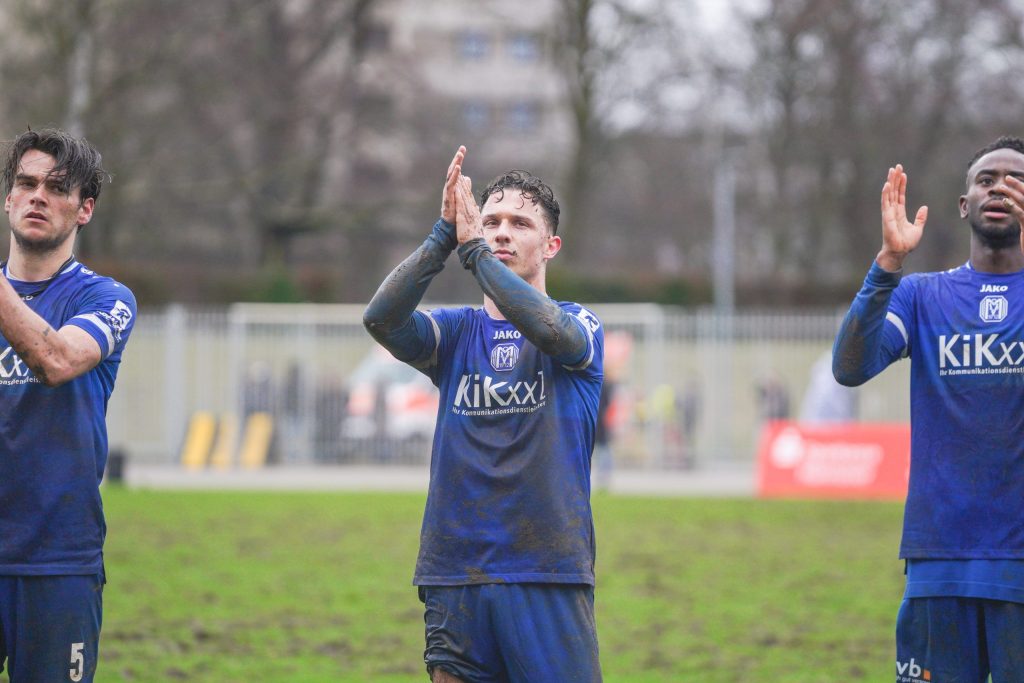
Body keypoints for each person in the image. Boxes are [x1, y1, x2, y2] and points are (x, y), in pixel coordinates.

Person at [363, 146, 604, 682]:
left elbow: (551, 332)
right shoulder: (455, 333)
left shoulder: (579, 324)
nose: (501, 233)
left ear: (551, 246)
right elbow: (381, 320)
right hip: (455, 571)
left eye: (520, 223)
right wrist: (442, 237)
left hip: (545, 570)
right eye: (490, 222)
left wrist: (473, 253)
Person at [832, 136, 1024, 682]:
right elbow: (850, 367)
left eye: (1016, 182)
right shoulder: (922, 296)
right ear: (964, 204)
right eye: (986, 180)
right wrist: (887, 264)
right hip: (939, 562)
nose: (1000, 189)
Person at [0, 128, 137, 682]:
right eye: (26, 183)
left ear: (84, 210)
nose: (38, 196)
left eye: (57, 188)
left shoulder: (105, 298)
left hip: (58, 561)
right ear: (9, 198)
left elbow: (56, 360)